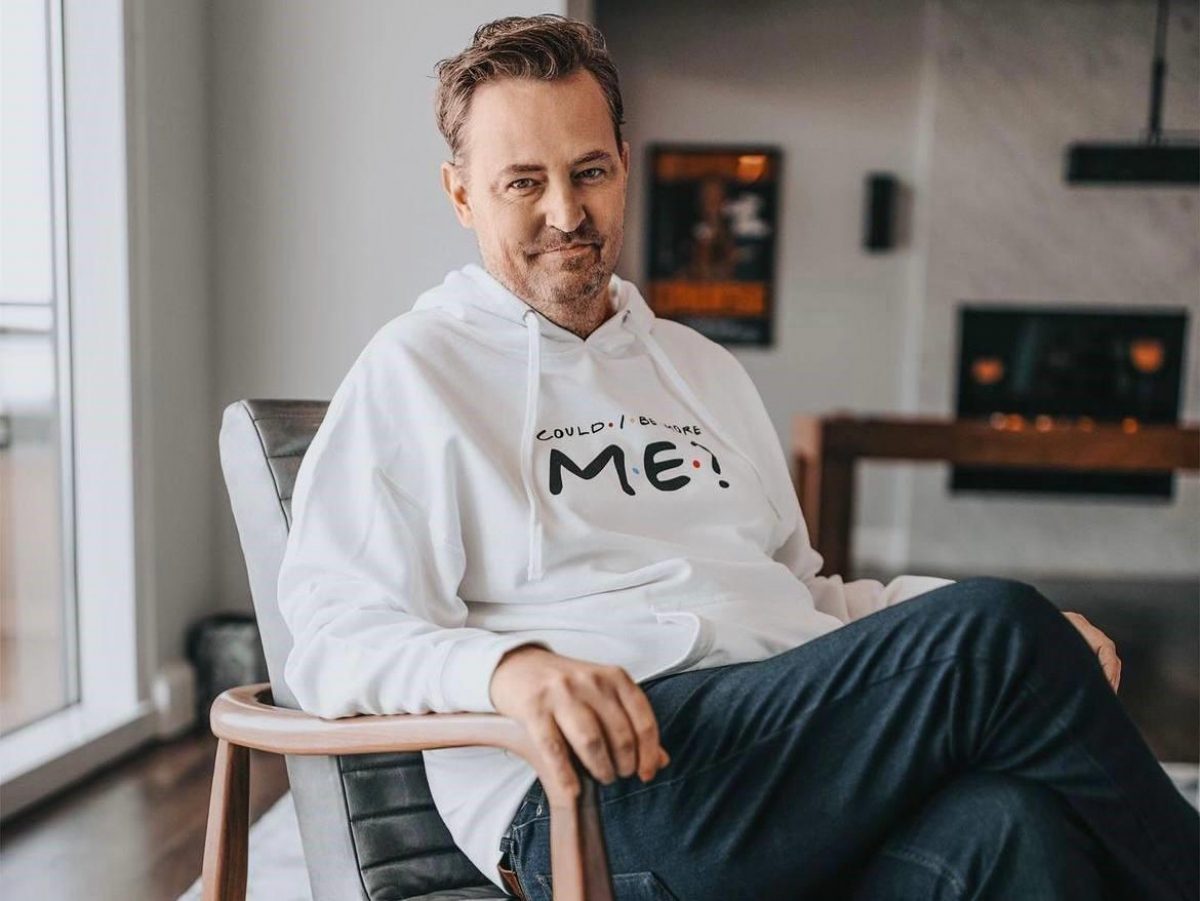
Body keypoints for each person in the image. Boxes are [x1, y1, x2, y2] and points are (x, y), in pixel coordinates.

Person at [275, 14, 1199, 900]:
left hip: (779, 754)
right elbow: (331, 638)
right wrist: (509, 669)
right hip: (598, 789)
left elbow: (808, 596)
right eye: (523, 182)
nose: (566, 211)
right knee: (999, 629)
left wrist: (1018, 643)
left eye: (590, 171)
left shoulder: (699, 369)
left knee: (1012, 826)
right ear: (461, 194)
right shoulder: (417, 370)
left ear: (624, 165)